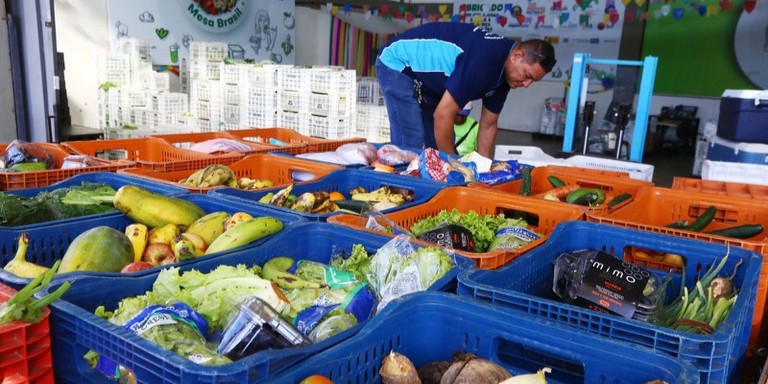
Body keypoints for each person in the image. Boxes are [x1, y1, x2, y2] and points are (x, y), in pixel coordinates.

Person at [376, 22, 556, 158]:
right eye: (527, 75)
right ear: (517, 56)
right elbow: (443, 116)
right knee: (411, 143)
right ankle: (403, 193)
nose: (526, 84)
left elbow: (488, 125)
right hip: (398, 62)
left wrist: (482, 174)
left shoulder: (505, 76)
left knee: (436, 146)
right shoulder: (485, 60)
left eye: (533, 81)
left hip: (428, 81)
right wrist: (455, 166)